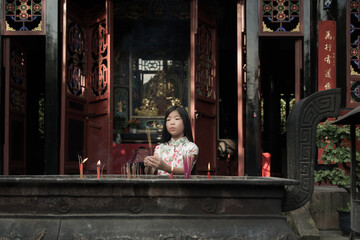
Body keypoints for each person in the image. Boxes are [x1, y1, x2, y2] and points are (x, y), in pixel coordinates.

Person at [144, 106, 199, 175]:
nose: (172, 123)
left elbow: (186, 171)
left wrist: (165, 167)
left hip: (181, 185)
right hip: (161, 186)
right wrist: (148, 165)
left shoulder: (191, 147)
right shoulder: (160, 148)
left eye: (177, 119)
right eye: (168, 119)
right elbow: (150, 173)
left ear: (185, 122)